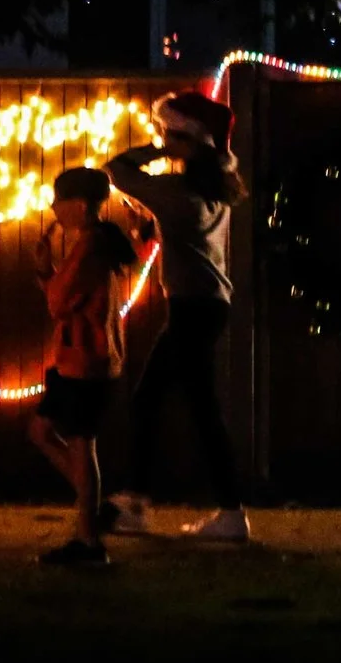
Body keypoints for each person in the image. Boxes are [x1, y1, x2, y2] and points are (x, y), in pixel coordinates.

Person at [104, 92, 249, 543]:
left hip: (190, 308)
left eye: (170, 133)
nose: (163, 139)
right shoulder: (212, 189)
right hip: (208, 305)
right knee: (169, 402)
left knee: (189, 407)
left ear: (188, 140)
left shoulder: (176, 191)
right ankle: (141, 500)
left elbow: (117, 170)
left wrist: (158, 152)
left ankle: (226, 512)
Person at [29, 165, 138, 566]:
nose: (54, 208)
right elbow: (64, 298)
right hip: (82, 358)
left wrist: (44, 268)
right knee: (41, 430)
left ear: (78, 205)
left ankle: (89, 541)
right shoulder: (96, 244)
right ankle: (94, 510)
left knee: (79, 443)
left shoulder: (89, 247)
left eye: (59, 200)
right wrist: (47, 272)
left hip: (83, 361)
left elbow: (58, 303)